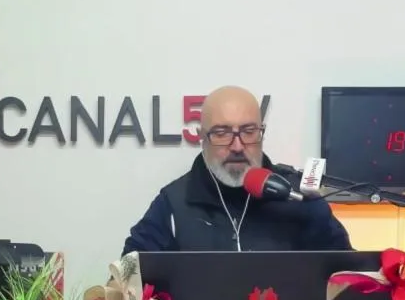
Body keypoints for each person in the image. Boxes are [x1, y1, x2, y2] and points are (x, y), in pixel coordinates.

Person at [122, 85, 352, 254]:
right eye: (222, 133)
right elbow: (128, 279)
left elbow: (349, 278)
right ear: (202, 138)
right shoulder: (173, 202)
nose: (237, 146)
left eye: (249, 131)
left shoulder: (298, 199)